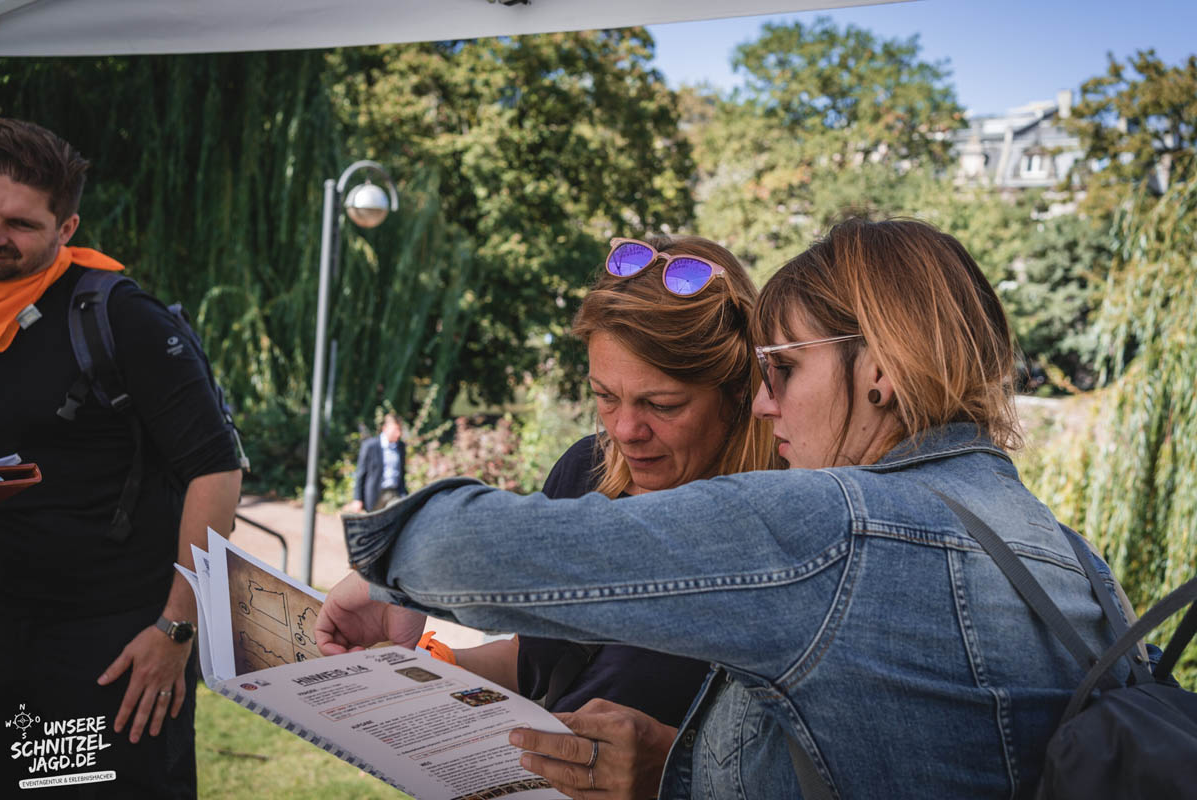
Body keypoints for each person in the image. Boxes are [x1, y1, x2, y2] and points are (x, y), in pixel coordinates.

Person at [316, 216, 1138, 798]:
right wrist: (676, 771)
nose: (765, 401)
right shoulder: (1072, 559)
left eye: (784, 370)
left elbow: (462, 552)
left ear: (880, 371)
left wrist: (386, 567)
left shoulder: (836, 525)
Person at [318, 235, 777, 798]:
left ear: (737, 392)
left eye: (662, 405)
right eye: (604, 396)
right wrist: (421, 670)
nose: (624, 430)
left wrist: (679, 767)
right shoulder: (585, 469)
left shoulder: (780, 524)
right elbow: (538, 659)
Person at [0, 118, 243, 798]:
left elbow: (216, 472)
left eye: (20, 224)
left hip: (109, 648)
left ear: (66, 228)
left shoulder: (119, 317)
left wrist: (176, 629)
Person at [347, 412, 407, 512]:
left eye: (400, 430)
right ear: (385, 428)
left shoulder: (401, 447)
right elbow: (361, 473)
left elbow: (402, 473)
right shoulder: (370, 446)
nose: (398, 434)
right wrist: (357, 499)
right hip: (375, 495)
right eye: (395, 430)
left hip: (394, 493)